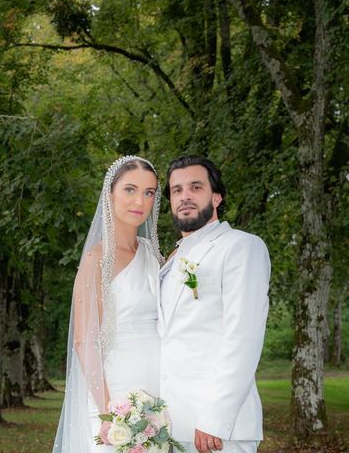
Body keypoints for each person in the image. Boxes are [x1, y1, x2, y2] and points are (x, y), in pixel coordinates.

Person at [53, 155, 165, 453]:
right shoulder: (97, 260)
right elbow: (83, 341)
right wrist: (108, 413)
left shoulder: (153, 255)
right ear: (110, 193)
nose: (139, 200)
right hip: (117, 396)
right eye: (130, 189)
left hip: (159, 393)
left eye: (149, 192)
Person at [158, 156, 270, 453]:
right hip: (171, 425)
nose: (185, 196)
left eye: (196, 187)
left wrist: (215, 418)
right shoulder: (169, 261)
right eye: (177, 190)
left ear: (216, 196)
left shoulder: (241, 246)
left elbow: (243, 336)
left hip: (218, 430)